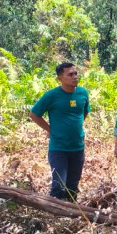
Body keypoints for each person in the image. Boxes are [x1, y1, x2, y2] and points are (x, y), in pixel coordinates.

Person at [29, 62, 90, 201]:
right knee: (59, 186)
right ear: (60, 78)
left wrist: (76, 128)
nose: (75, 77)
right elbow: (34, 114)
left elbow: (84, 112)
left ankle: (70, 216)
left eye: (75, 73)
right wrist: (51, 129)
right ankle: (54, 216)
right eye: (70, 74)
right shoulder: (52, 95)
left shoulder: (82, 93)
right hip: (58, 148)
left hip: (78, 148)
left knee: (72, 187)